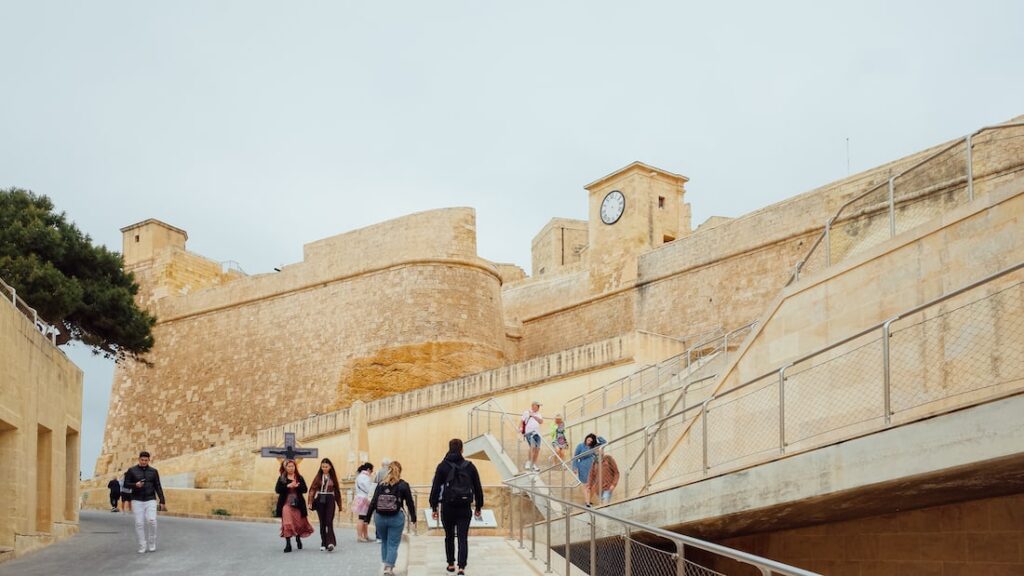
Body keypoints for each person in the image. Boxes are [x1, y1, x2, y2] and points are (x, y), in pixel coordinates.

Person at [429, 438, 484, 575]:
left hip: (447, 507)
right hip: (465, 507)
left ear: (449, 448)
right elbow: (478, 488)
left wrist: (434, 507)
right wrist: (478, 507)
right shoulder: (470, 466)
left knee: (449, 536)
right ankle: (461, 567)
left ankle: (451, 564)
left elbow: (435, 487)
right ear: (462, 449)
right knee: (462, 537)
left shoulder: (442, 466)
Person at [366, 461, 416, 576]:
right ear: (400, 471)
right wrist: (413, 518)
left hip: (379, 517)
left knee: (385, 541)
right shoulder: (403, 485)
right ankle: (389, 567)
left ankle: (385, 564)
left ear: (388, 470)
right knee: (393, 543)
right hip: (396, 517)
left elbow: (373, 502)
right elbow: (410, 503)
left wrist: (367, 518)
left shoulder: (381, 484)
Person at [123, 451, 166, 553]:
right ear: (139, 459)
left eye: (146, 460)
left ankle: (152, 542)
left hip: (150, 499)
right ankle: (142, 545)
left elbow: (158, 486)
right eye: (142, 460)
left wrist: (162, 500)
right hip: (137, 500)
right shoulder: (131, 470)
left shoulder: (154, 471)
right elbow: (125, 484)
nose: (144, 462)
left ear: (149, 460)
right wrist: (135, 485)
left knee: (152, 521)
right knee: (139, 523)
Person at [275, 459, 314, 553]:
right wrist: (287, 486)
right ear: (285, 467)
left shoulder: (299, 477)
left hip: (297, 504)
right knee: (287, 522)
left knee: (298, 523)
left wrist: (297, 486)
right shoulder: (282, 478)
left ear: (295, 467)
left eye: (292, 466)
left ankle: (298, 538)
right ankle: (288, 544)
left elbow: (305, 489)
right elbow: (277, 489)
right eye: (289, 466)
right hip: (286, 504)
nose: (291, 468)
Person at [307, 458, 343, 552]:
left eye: (326, 466)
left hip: (330, 499)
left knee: (329, 521)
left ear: (330, 467)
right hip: (320, 499)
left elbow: (337, 491)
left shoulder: (333, 477)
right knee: (322, 522)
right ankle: (323, 542)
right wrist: (310, 502)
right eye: (322, 466)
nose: (324, 468)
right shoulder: (318, 477)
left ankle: (330, 542)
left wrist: (339, 504)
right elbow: (312, 489)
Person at [586, 438, 619, 506]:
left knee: (604, 504)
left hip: (607, 487)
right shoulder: (594, 463)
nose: (598, 451)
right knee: (603, 506)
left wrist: (613, 484)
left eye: (599, 449)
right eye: (596, 449)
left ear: (602, 450)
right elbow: (591, 476)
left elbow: (616, 473)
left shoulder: (608, 459)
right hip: (598, 490)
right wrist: (589, 486)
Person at [573, 433, 598, 506]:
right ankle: (587, 503)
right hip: (583, 467)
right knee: (586, 485)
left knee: (593, 485)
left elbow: (604, 443)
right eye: (588, 439)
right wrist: (575, 467)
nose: (589, 441)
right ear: (586, 438)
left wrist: (598, 437)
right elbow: (575, 457)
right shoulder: (580, 446)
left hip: (592, 467)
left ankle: (588, 500)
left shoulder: (593, 447)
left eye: (591, 440)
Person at [352, 462, 374, 542]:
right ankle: (360, 536)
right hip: (365, 498)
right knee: (362, 518)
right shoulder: (365, 477)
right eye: (371, 471)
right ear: (368, 469)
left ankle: (364, 536)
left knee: (363, 518)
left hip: (359, 497)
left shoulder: (359, 476)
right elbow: (368, 488)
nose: (371, 473)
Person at [520, 400, 544, 472]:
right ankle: (528, 462)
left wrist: (534, 416)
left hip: (537, 433)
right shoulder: (526, 412)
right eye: (537, 406)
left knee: (537, 449)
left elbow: (541, 422)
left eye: (539, 406)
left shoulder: (539, 414)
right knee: (532, 447)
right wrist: (520, 429)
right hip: (529, 433)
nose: (539, 407)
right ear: (533, 406)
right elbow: (522, 421)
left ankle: (533, 464)